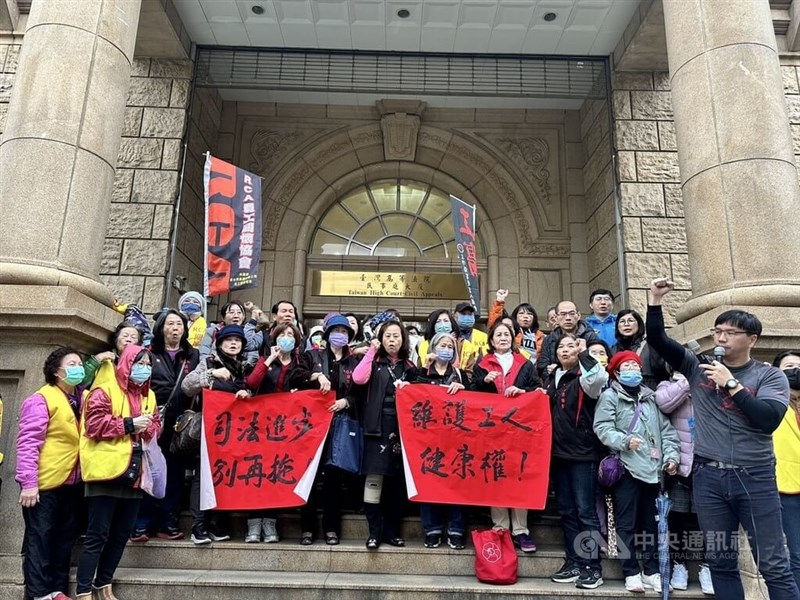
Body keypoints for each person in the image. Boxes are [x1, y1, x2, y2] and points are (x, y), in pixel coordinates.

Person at [646, 278, 799, 600]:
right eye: (717, 332)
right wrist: (655, 301)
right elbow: (658, 340)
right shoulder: (697, 368)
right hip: (709, 477)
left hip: (754, 476)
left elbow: (768, 420)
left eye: (730, 333)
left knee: (773, 562)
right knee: (720, 561)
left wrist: (732, 385)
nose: (721, 338)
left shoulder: (769, 376)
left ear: (752, 339)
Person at [76, 344, 160, 600]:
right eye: (139, 363)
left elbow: (155, 426)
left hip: (135, 473)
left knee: (121, 534)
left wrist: (148, 428)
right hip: (106, 471)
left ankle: (104, 583)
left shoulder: (150, 395)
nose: (144, 369)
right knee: (97, 534)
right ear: (126, 363)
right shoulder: (104, 389)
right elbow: (93, 424)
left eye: (147, 365)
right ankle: (83, 590)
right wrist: (129, 424)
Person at [593, 350, 680, 594]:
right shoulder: (610, 397)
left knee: (652, 524)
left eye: (635, 365)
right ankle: (630, 571)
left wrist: (671, 457)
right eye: (626, 366)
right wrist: (623, 440)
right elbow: (602, 426)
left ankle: (651, 570)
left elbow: (667, 432)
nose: (632, 369)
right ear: (617, 372)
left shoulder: (651, 398)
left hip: (654, 471)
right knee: (626, 524)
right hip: (627, 469)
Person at [16, 348, 86, 600]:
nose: (78, 367)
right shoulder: (41, 398)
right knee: (40, 539)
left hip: (73, 482)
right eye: (72, 363)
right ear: (57, 371)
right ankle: (37, 594)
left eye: (80, 363)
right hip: (44, 484)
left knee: (64, 540)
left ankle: (57, 590)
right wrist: (28, 482)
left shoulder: (80, 398)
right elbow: (27, 443)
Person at [471, 321, 542, 553]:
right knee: (495, 474)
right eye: (498, 335)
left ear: (513, 339)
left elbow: (536, 390)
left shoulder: (525, 364)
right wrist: (484, 382)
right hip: (491, 431)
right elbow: (471, 394)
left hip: (518, 429)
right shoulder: (482, 365)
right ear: (491, 341)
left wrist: (522, 392)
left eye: (506, 334)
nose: (502, 337)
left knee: (518, 476)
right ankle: (500, 526)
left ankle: (521, 530)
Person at [546, 333, 608, 590]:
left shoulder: (587, 378)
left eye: (570, 346)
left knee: (585, 512)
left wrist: (584, 353)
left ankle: (592, 567)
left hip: (583, 454)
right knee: (567, 512)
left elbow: (599, 377)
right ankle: (573, 561)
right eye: (561, 347)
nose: (565, 350)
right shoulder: (553, 378)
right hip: (558, 455)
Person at [132, 309, 199, 542]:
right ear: (161, 328)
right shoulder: (149, 354)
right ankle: (142, 523)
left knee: (174, 474)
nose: (175, 328)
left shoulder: (193, 355)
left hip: (180, 425)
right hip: (152, 421)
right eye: (170, 324)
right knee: (150, 472)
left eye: (179, 324)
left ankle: (167, 521)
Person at [181, 324, 252, 544]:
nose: (233, 343)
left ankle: (215, 523)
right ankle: (198, 525)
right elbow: (187, 385)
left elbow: (252, 392)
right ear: (219, 343)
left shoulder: (244, 367)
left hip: (234, 434)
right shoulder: (209, 362)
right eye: (229, 340)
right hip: (210, 429)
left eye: (238, 340)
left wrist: (246, 393)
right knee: (203, 476)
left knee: (224, 476)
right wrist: (211, 373)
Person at [244, 321, 312, 542]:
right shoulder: (266, 361)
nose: (286, 338)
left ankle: (271, 524)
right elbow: (252, 381)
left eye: (291, 335)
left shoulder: (299, 365)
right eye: (282, 334)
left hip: (286, 433)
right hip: (261, 429)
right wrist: (270, 359)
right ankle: (254, 524)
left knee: (274, 475)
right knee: (257, 475)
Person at [352, 320, 416, 550]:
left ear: (403, 340)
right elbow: (358, 379)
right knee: (374, 480)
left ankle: (391, 532)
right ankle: (374, 532)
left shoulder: (410, 367)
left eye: (396, 336)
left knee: (396, 484)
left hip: (401, 431)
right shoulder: (374, 362)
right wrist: (371, 350)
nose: (392, 340)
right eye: (387, 336)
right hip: (376, 428)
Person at [300, 314, 361, 546]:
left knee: (334, 479)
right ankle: (307, 529)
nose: (340, 335)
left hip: (340, 426)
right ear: (327, 334)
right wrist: (315, 375)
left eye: (344, 332)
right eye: (336, 331)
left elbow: (361, 394)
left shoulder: (353, 362)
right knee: (311, 477)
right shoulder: (311, 356)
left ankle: (331, 529)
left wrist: (347, 402)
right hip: (311, 427)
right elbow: (296, 378)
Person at [654, 372, 715, 595]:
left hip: (707, 462)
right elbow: (664, 404)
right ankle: (678, 565)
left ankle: (707, 567)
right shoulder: (666, 385)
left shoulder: (711, 386)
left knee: (707, 519)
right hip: (678, 465)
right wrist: (687, 380)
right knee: (678, 519)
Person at [413, 331, 467, 550]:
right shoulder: (421, 372)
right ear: (433, 348)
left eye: (450, 346)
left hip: (455, 440)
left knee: (457, 483)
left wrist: (464, 390)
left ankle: (456, 528)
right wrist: (424, 369)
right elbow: (410, 392)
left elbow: (474, 403)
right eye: (442, 345)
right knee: (429, 481)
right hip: (428, 440)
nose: (446, 349)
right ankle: (432, 529)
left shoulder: (460, 375)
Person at [773, 351, 800, 594]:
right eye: (789, 366)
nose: (796, 371)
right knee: (797, 554)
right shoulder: (771, 401)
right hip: (787, 486)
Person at [538, 300, 599, 382]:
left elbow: (597, 363)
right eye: (563, 314)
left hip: (584, 384)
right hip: (556, 385)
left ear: (578, 315)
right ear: (556, 318)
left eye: (572, 313)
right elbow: (543, 366)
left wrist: (561, 371)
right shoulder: (549, 339)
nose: (568, 318)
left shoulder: (590, 336)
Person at [612, 309, 671, 391]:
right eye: (622, 321)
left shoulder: (650, 345)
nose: (626, 324)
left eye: (630, 321)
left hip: (649, 393)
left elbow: (662, 372)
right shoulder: (613, 350)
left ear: (639, 324)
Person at [488, 289, 545, 361]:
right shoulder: (511, 333)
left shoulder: (542, 337)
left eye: (529, 314)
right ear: (515, 317)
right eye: (521, 313)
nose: (526, 316)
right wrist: (499, 301)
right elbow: (495, 323)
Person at [81, 321, 143, 386]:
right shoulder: (105, 359)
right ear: (116, 340)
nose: (128, 339)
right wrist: (96, 360)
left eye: (133, 337)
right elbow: (82, 383)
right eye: (125, 336)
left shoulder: (141, 364)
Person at [199, 301, 258, 365]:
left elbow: (252, 356)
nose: (236, 316)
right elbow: (203, 354)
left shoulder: (248, 333)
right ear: (223, 317)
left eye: (239, 312)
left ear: (243, 317)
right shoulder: (212, 331)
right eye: (231, 312)